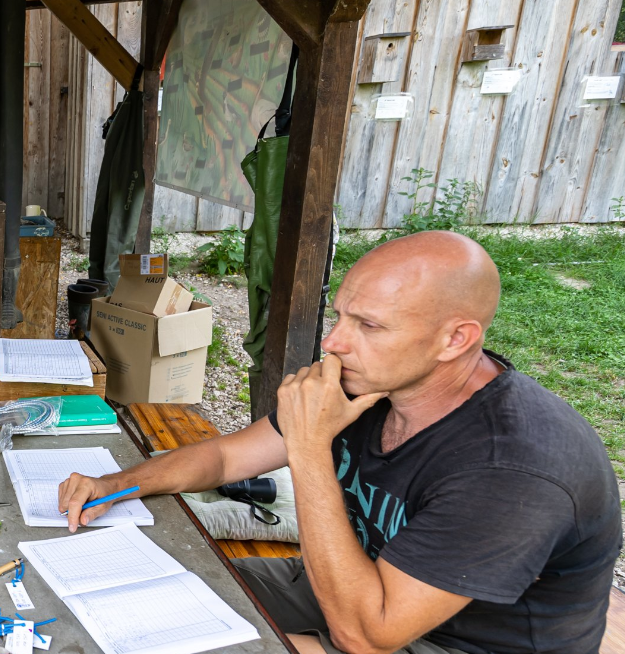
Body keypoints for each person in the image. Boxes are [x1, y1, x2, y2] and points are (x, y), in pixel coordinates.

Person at [59, 231, 620, 654]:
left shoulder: (512, 467)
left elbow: (366, 636)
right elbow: (227, 456)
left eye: (369, 326)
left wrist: (308, 448)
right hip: (356, 581)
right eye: (341, 317)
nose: (334, 342)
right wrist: (118, 482)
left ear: (455, 339)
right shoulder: (371, 380)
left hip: (453, 640)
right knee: (137, 589)